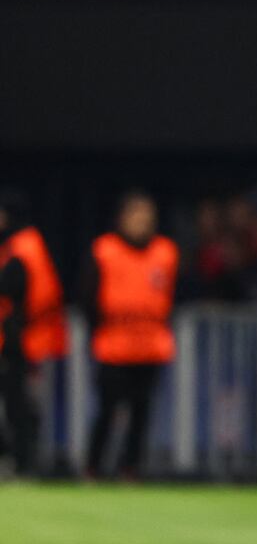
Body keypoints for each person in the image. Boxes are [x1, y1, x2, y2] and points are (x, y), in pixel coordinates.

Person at [83, 192, 178, 479]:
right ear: (122, 218)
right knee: (107, 410)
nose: (142, 222)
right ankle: (93, 468)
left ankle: (131, 469)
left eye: (147, 216)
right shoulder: (105, 250)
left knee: (142, 412)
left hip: (150, 345)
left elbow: (174, 295)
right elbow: (87, 297)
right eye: (136, 215)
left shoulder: (165, 252)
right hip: (114, 344)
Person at [0, 191, 68, 475]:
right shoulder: (26, 244)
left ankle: (22, 463)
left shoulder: (21, 247)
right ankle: (21, 461)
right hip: (23, 339)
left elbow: (13, 289)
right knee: (20, 405)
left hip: (17, 341)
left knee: (19, 406)